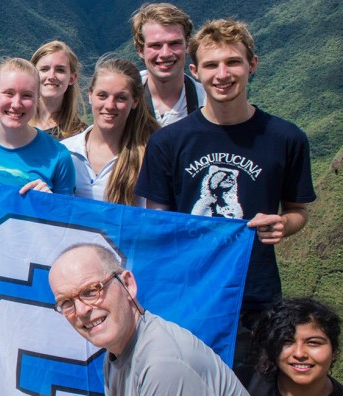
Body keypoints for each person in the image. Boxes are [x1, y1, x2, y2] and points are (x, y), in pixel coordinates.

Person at [135, 19, 317, 383]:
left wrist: (284, 225)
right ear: (195, 71)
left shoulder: (285, 138)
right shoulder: (169, 143)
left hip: (255, 298)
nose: (222, 74)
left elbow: (298, 211)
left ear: (252, 65)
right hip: (187, 296)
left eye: (233, 62)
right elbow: (159, 224)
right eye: (211, 65)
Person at [48, 243, 248, 395]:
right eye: (66, 302)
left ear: (127, 284)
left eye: (92, 291)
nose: (81, 310)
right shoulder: (120, 349)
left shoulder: (163, 365)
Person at [0, 57, 75, 195]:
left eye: (26, 95)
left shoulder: (59, 157)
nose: (16, 104)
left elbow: (64, 214)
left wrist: (50, 203)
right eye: (9, 93)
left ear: (37, 97)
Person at [61, 57, 160, 206]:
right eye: (102, 95)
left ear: (135, 101)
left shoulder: (148, 157)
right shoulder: (65, 151)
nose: (110, 105)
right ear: (90, 95)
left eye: (121, 98)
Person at [130, 2, 206, 126]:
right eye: (156, 45)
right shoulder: (123, 101)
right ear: (140, 50)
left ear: (187, 46)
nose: (165, 53)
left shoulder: (209, 103)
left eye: (174, 43)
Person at [250, 298, 343, 396]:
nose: (299, 353)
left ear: (334, 351)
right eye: (287, 342)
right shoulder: (242, 387)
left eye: (313, 343)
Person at [30, 40, 87, 140]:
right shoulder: (16, 126)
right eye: (44, 69)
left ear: (72, 78)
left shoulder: (81, 136)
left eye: (60, 70)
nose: (51, 76)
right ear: (32, 74)